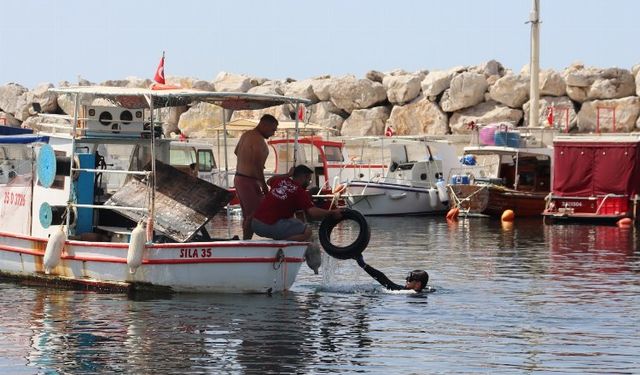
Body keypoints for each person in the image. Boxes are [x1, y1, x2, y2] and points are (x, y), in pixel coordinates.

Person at [252, 164, 342, 241]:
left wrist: (288, 174)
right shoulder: (299, 191)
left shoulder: (280, 180)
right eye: (309, 180)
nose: (309, 183)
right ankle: (282, 245)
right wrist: (331, 212)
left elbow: (269, 181)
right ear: (304, 177)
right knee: (307, 232)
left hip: (255, 224)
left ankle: (282, 240)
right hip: (269, 226)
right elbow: (313, 212)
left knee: (295, 222)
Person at [234, 114, 279, 239]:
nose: (273, 133)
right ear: (264, 125)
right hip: (247, 180)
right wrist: (264, 187)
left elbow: (237, 151)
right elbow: (257, 167)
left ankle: (246, 241)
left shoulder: (246, 135)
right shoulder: (258, 141)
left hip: (240, 178)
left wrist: (246, 162)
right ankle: (246, 242)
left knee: (249, 213)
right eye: (272, 129)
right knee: (254, 214)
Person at [354, 254, 432, 292]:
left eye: (410, 279)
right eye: (407, 278)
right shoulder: (425, 291)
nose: (407, 280)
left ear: (418, 284)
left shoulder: (404, 292)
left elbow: (383, 279)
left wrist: (363, 265)